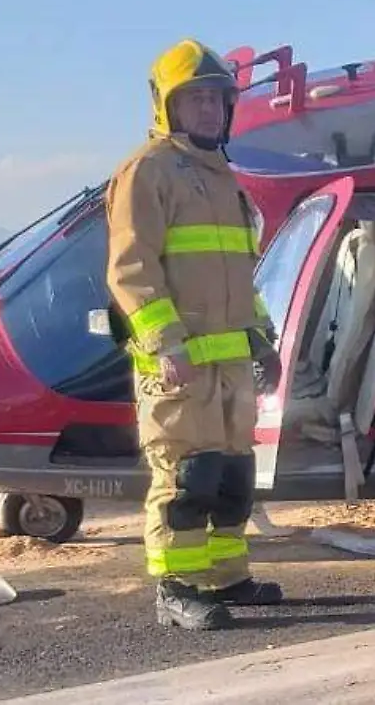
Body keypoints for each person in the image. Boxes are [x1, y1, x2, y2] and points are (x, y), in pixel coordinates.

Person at [104, 37, 285, 631]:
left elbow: (239, 272)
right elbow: (132, 270)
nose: (208, 110)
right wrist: (165, 344)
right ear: (168, 106)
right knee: (186, 477)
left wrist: (261, 339)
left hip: (230, 365)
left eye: (216, 99)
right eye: (195, 100)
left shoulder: (222, 178)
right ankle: (175, 588)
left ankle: (228, 577)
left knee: (232, 475)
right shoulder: (147, 173)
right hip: (178, 366)